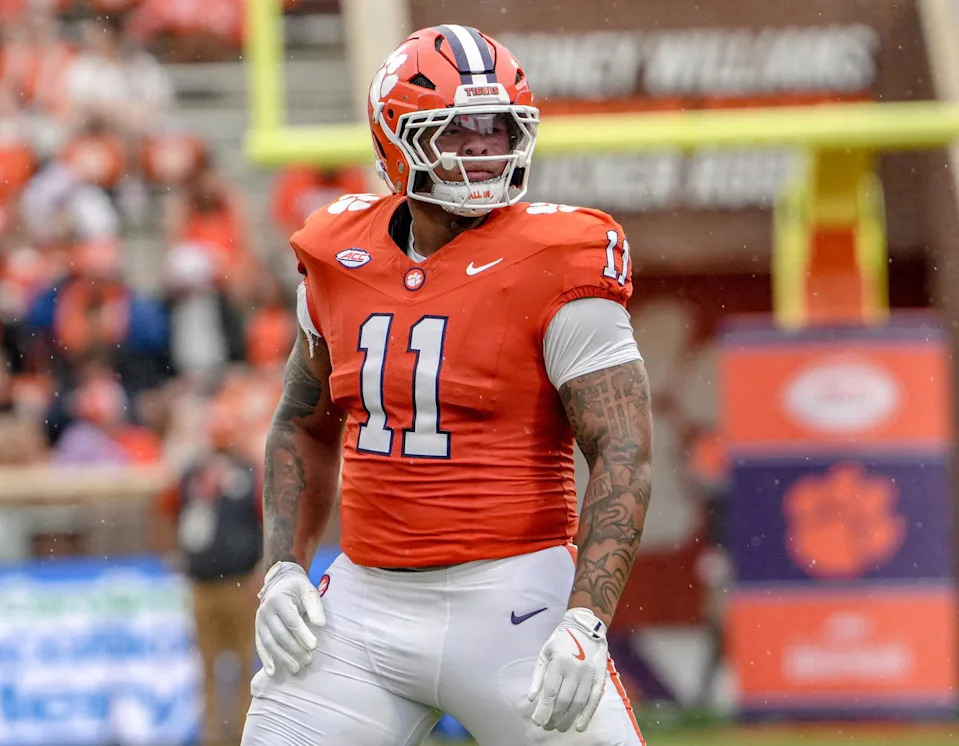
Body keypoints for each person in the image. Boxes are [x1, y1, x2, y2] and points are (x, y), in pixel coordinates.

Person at [242, 24, 653, 746]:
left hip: (514, 600)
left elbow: (622, 448)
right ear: (394, 141)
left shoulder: (559, 257)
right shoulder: (336, 253)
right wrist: (282, 569)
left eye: (496, 131)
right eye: (455, 134)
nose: (482, 151)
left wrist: (586, 617)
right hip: (365, 600)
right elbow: (301, 423)